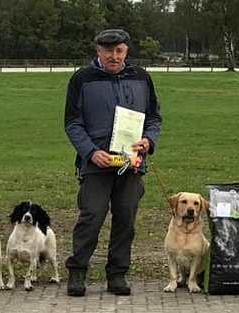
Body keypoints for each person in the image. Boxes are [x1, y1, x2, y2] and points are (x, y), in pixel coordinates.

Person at [63, 29, 162, 297]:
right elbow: (72, 123)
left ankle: (117, 274)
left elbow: (154, 118)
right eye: (108, 51)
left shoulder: (141, 77)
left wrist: (148, 141)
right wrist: (90, 152)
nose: (113, 56)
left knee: (126, 218)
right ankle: (78, 271)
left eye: (119, 51)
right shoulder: (82, 79)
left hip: (131, 163)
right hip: (96, 162)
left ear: (126, 51)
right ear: (98, 51)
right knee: (91, 216)